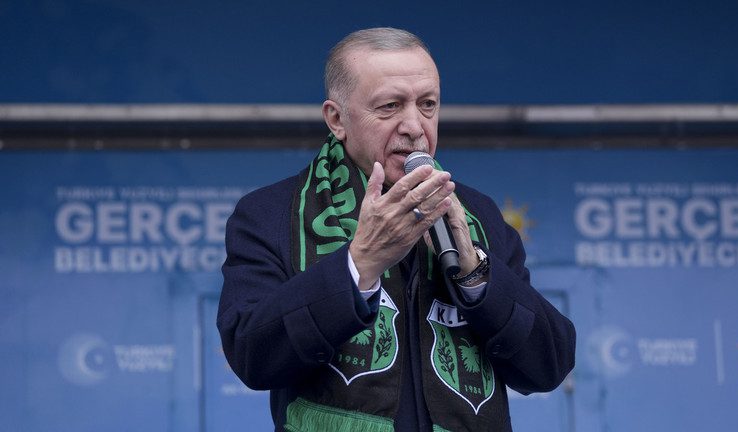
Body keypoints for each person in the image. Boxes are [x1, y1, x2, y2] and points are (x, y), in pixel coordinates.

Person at [217, 27, 576, 432]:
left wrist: (477, 277)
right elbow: (252, 356)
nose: (414, 126)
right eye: (390, 106)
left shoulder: (477, 214)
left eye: (428, 104)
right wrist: (359, 263)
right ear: (337, 119)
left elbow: (550, 365)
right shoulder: (271, 213)